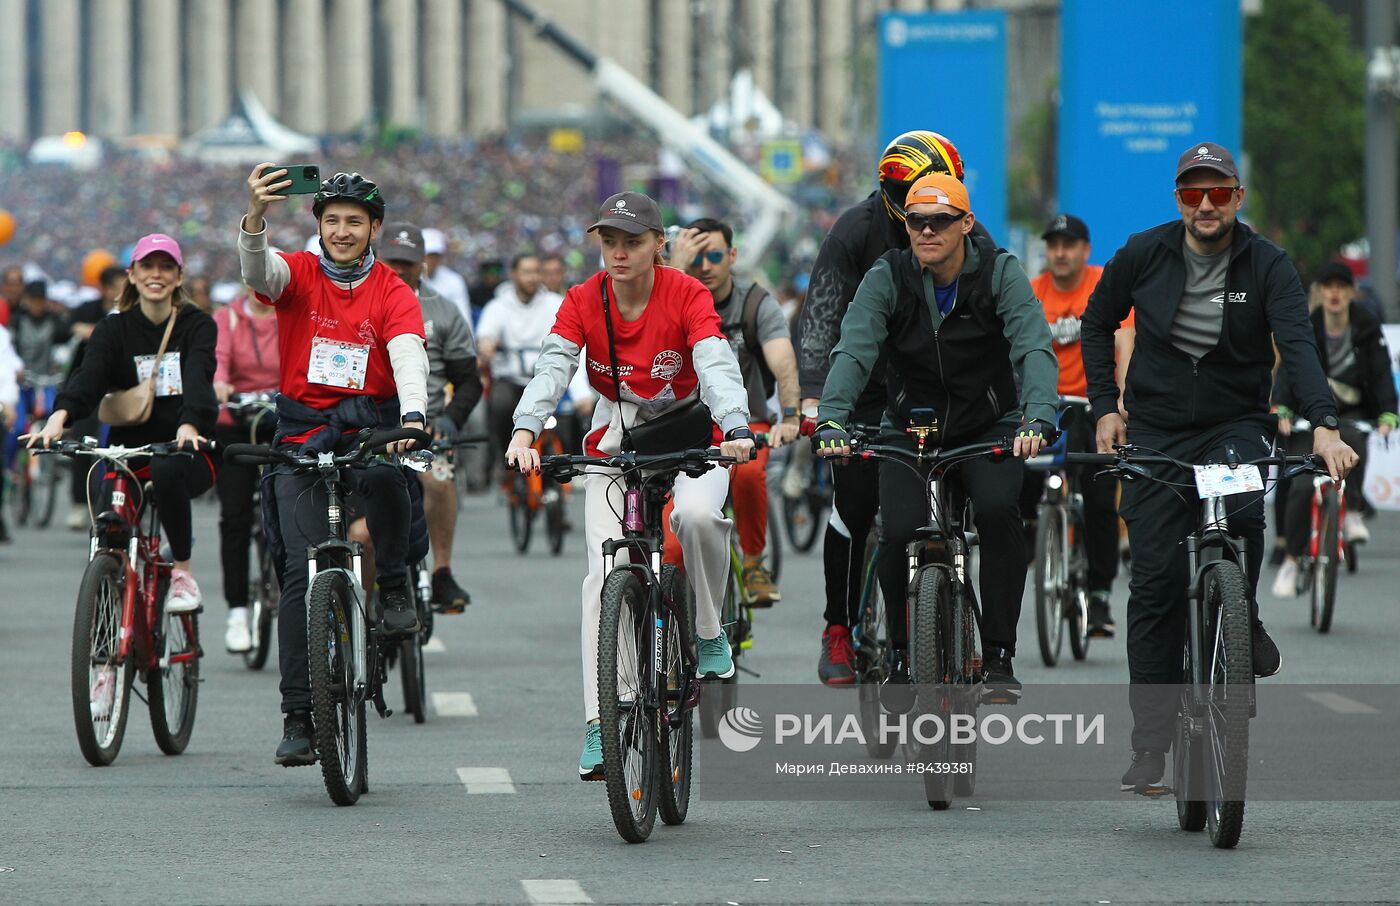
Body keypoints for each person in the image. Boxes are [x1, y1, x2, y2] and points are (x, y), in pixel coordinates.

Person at [1081, 141, 1357, 792]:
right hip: (1155, 430)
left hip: (1234, 426)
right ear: (1178, 200)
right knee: (1151, 582)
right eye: (1192, 193)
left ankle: (1241, 613)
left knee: (1240, 506)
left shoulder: (1267, 264)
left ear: (1238, 196)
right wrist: (1105, 406)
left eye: (1218, 192)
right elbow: (1097, 321)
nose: (1205, 204)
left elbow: (1298, 344)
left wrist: (1323, 423)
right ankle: (1150, 745)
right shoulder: (1144, 253)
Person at [504, 192, 753, 780]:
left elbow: (716, 364)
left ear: (659, 246)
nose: (618, 253)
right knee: (602, 575)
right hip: (620, 436)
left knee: (694, 520)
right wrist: (524, 431)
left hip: (695, 428)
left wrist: (738, 425)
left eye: (632, 241)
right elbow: (553, 369)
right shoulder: (582, 300)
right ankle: (600, 722)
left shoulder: (687, 293)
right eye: (609, 241)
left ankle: (711, 633)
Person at [813, 172, 1059, 696]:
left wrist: (1038, 417)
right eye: (916, 222)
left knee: (997, 511)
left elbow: (1033, 346)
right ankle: (900, 656)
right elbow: (853, 349)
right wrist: (832, 417)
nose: (926, 232)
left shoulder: (1000, 272)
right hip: (908, 425)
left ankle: (997, 652)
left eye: (940, 221)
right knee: (898, 531)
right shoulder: (887, 275)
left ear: (966, 224)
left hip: (986, 423)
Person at [239, 165, 431, 766]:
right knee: (298, 576)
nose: (342, 232)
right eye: (331, 221)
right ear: (317, 225)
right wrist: (254, 219)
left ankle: (394, 581)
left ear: (375, 227)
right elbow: (258, 273)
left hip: (371, 426)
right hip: (301, 432)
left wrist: (416, 418)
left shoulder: (394, 291)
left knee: (384, 477)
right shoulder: (295, 271)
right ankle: (298, 714)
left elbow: (407, 355)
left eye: (354, 222)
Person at [796, 129, 970, 685]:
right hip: (864, 386)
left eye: (941, 203)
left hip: (935, 386)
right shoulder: (852, 232)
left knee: (967, 501)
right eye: (914, 204)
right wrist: (816, 398)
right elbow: (821, 314)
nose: (927, 218)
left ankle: (961, 617)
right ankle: (839, 627)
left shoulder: (969, 233)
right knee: (853, 503)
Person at [27, 234, 218, 613]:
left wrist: (190, 424)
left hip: (184, 449)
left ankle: (182, 573)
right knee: (108, 527)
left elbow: (199, 379)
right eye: (148, 266)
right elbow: (87, 378)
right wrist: (57, 419)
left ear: (179, 277)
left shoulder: (197, 325)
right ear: (132, 274)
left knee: (165, 471)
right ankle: (105, 634)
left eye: (166, 267)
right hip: (126, 449)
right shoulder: (113, 329)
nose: (156, 275)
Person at [670, 217, 801, 605]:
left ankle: (754, 562)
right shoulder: (674, 296)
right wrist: (676, 270)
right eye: (695, 258)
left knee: (748, 473)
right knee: (673, 547)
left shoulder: (757, 303)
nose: (705, 267)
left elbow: (783, 361)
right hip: (684, 427)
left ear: (732, 255)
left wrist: (791, 415)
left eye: (714, 256)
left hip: (746, 424)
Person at [1027, 213, 1134, 637]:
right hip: (1048, 406)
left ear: (1085, 251)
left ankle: (1102, 592)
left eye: (1069, 245)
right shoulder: (1034, 291)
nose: (1060, 252)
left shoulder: (1100, 284)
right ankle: (1037, 543)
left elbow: (1125, 340)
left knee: (1100, 495)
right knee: (1017, 481)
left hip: (1095, 405)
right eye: (1053, 245)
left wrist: (1121, 399)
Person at [374, 221, 482, 611]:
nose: (399, 270)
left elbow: (469, 381)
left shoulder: (444, 310)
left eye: (408, 262)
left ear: (423, 264)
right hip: (373, 426)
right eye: (392, 261)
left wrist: (450, 418)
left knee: (438, 482)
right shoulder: (359, 298)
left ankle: (441, 571)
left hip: (427, 429)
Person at [1270, 261, 1396, 596]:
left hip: (1351, 413)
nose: (1335, 293)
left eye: (1342, 286)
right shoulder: (1308, 325)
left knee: (1354, 438)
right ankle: (1292, 560)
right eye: (1329, 287)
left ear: (1352, 292)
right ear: (1320, 292)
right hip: (1310, 417)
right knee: (1298, 484)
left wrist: (1387, 414)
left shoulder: (1366, 326)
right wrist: (1281, 406)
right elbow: (1289, 370)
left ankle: (1352, 510)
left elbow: (1382, 373)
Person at [211, 286, 280, 653]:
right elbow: (218, 357)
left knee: (291, 507)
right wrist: (219, 382)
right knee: (235, 516)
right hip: (235, 421)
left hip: (282, 419)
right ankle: (237, 610)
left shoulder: (292, 314)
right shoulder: (228, 318)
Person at [477, 252, 591, 464]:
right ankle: (506, 456)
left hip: (547, 375)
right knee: (500, 406)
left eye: (536, 272)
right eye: (526, 272)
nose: (532, 278)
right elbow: (487, 335)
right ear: (513, 274)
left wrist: (581, 392)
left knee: (569, 414)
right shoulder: (498, 306)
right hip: (512, 378)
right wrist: (487, 345)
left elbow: (572, 347)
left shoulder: (555, 303)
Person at [63, 265, 128, 529]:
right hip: (90, 388)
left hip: (124, 393)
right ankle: (81, 503)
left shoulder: (134, 314)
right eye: (116, 285)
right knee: (84, 443)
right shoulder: (88, 309)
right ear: (105, 288)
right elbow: (66, 327)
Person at [421, 227, 472, 322]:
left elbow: (463, 318)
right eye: (428, 255)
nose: (432, 260)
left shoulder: (454, 281)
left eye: (436, 255)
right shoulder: (408, 277)